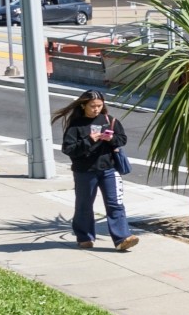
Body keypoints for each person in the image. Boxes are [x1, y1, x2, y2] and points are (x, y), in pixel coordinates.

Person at [52, 89, 138, 251]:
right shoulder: (76, 126)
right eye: (93, 106)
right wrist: (90, 140)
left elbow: (122, 139)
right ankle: (84, 237)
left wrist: (111, 138)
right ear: (84, 105)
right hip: (85, 171)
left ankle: (122, 238)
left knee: (115, 204)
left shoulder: (109, 120)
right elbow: (68, 149)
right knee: (84, 205)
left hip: (109, 169)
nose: (96, 109)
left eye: (99, 105)